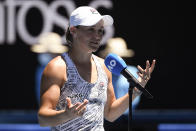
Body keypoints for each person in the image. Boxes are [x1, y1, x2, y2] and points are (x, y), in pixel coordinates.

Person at [38, 6, 156, 131]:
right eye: (91, 30)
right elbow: (43, 119)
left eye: (100, 30)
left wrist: (137, 90)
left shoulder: (104, 67)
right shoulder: (57, 67)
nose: (97, 36)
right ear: (73, 30)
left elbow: (110, 114)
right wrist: (66, 115)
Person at [98, 37, 140, 115]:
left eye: (120, 57)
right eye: (114, 60)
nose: (117, 62)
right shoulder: (100, 73)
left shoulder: (134, 72)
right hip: (106, 119)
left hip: (128, 118)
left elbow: (135, 100)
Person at [31, 32, 68, 105]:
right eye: (44, 52)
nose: (44, 55)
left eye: (49, 52)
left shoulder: (64, 70)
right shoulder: (41, 69)